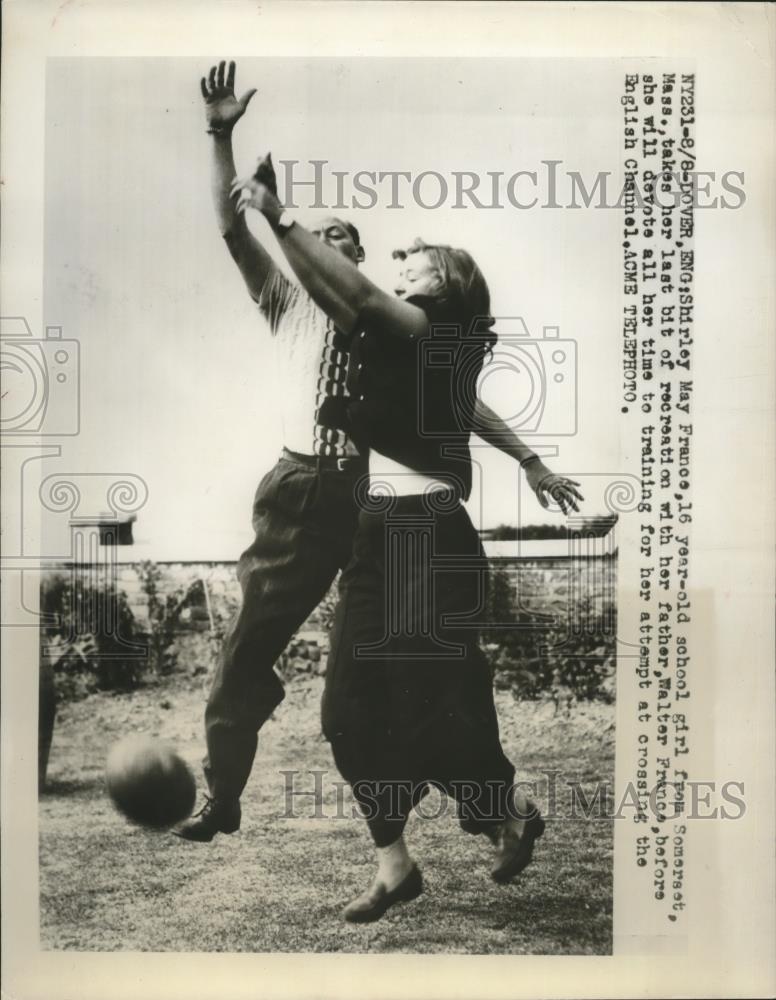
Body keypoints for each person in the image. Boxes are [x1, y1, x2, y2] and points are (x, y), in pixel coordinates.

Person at [179, 60, 581, 845]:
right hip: (303, 493)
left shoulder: (386, 329)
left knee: (417, 674)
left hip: (374, 503)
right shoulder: (290, 307)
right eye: (316, 235)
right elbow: (232, 226)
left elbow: (461, 400)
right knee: (245, 648)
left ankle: (486, 809)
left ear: (354, 258)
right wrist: (221, 138)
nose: (327, 242)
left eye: (343, 240)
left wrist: (529, 458)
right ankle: (222, 792)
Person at [234, 157, 583, 921]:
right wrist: (530, 459)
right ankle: (395, 864)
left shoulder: (438, 329)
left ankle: (505, 808)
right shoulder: (405, 335)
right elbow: (336, 291)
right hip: (374, 536)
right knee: (346, 710)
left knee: (432, 704)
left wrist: (278, 214)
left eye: (414, 265)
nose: (398, 269)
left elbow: (350, 288)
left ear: (447, 287)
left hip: (431, 539)